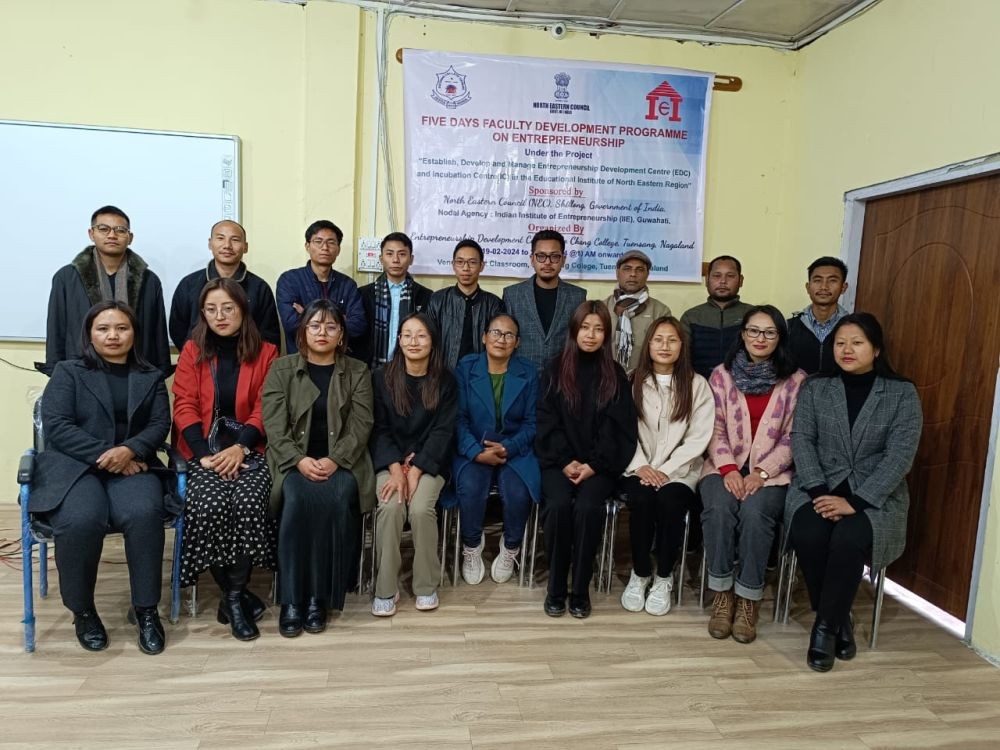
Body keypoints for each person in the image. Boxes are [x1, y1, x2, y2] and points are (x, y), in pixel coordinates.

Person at [31, 302, 170, 654]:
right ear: (89, 334)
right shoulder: (68, 372)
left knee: (143, 513)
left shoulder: (150, 375)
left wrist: (130, 450)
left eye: (122, 328)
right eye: (103, 328)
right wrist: (112, 455)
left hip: (134, 465)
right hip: (75, 466)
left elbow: (158, 424)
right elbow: (58, 426)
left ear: (133, 334)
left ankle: (146, 610)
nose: (113, 335)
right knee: (81, 518)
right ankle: (83, 610)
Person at [786, 313, 922, 672]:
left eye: (857, 342)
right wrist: (817, 491)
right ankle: (840, 618)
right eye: (840, 342)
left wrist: (856, 502)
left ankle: (825, 627)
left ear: (875, 349)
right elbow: (802, 439)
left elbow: (900, 456)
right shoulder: (816, 387)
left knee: (848, 539)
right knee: (808, 532)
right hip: (818, 487)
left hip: (874, 497)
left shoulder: (901, 392)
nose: (846, 349)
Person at [172, 277, 279, 641]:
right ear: (202, 313)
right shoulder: (192, 350)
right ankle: (235, 596)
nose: (220, 316)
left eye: (228, 308)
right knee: (208, 504)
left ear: (243, 309)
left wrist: (241, 447)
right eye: (211, 309)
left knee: (249, 501)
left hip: (250, 448)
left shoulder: (266, 352)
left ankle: (232, 597)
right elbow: (184, 404)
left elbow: (268, 406)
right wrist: (202, 456)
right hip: (204, 452)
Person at [262, 300, 375, 637]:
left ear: (341, 334)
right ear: (303, 330)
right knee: (295, 499)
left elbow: (361, 424)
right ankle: (292, 600)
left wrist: (334, 459)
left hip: (343, 462)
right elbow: (274, 427)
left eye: (330, 327)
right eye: (315, 326)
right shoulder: (282, 369)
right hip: (294, 462)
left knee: (338, 498)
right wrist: (299, 460)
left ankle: (320, 598)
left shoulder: (357, 371)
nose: (322, 333)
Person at [699, 305, 806, 644]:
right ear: (742, 334)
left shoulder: (795, 381)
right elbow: (713, 427)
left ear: (780, 338)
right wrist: (729, 469)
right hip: (722, 466)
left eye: (769, 332)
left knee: (757, 513)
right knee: (718, 508)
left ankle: (748, 599)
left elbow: (794, 436)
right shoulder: (721, 375)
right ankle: (721, 595)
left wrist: (761, 472)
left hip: (772, 473)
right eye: (754, 331)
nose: (760, 338)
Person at [536, 301, 637, 619]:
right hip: (558, 461)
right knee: (558, 505)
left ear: (606, 335)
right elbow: (545, 421)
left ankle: (579, 588)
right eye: (585, 327)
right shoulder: (554, 369)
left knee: (589, 507)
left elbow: (617, 429)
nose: (591, 335)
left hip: (600, 465)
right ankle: (555, 586)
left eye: (598, 329)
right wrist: (565, 460)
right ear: (574, 330)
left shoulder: (615, 375)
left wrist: (593, 465)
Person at [620, 316, 713, 615]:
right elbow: (622, 430)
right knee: (643, 500)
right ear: (647, 345)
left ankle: (664, 578)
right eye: (658, 339)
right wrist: (641, 466)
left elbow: (699, 437)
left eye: (672, 340)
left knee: (672, 503)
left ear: (682, 346)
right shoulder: (631, 380)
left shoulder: (697, 385)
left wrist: (666, 470)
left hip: (680, 472)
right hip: (638, 468)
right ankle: (641, 572)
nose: (664, 346)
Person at [370, 313, 457, 616]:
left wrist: (417, 468)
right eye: (406, 335)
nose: (413, 342)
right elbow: (378, 428)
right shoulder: (381, 378)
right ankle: (385, 588)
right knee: (391, 506)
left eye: (421, 335)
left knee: (421, 509)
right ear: (398, 340)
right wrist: (397, 469)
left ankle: (425, 585)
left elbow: (444, 431)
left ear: (432, 341)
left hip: (429, 461)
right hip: (390, 460)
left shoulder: (446, 380)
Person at [454, 313, 540, 585]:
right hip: (474, 448)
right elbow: (457, 419)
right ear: (484, 337)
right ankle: (471, 546)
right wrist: (475, 451)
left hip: (515, 450)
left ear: (517, 342)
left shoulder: (529, 372)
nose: (501, 339)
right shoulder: (466, 368)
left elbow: (532, 422)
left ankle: (510, 547)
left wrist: (509, 447)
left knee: (517, 492)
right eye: (495, 333)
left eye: (508, 335)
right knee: (470, 487)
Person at [42, 205, 170, 376]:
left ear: (130, 237)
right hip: (81, 369)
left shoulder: (149, 279)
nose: (112, 235)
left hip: (135, 369)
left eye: (120, 230)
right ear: (91, 234)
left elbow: (158, 331)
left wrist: (160, 369)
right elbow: (56, 327)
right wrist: (55, 370)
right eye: (104, 229)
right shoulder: (66, 277)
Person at [169, 219, 281, 350]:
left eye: (235, 240)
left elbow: (269, 336)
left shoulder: (260, 288)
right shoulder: (189, 284)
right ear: (210, 243)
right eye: (220, 238)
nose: (227, 245)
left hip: (247, 363)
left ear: (245, 247)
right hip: (199, 362)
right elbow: (178, 330)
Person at [275, 220, 366, 354]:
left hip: (339, 361)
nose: (325, 247)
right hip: (300, 360)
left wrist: (306, 314)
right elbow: (291, 325)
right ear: (307, 246)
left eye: (331, 242)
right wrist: (339, 319)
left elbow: (358, 326)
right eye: (318, 241)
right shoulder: (289, 281)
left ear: (338, 249)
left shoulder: (347, 285)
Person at [502, 230, 587, 369]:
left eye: (554, 256)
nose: (547, 262)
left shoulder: (578, 296)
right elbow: (506, 338)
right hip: (522, 376)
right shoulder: (512, 295)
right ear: (532, 259)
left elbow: (578, 341)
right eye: (541, 256)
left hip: (562, 377)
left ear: (563, 259)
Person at [356, 232, 433, 369]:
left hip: (410, 370)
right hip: (370, 369)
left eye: (402, 254)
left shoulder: (425, 295)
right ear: (381, 258)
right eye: (389, 254)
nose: (396, 260)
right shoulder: (364, 294)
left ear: (411, 259)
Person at [427, 239, 503, 369]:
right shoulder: (437, 300)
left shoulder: (493, 304)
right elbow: (429, 341)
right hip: (444, 375)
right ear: (453, 265)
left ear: (482, 266)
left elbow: (498, 344)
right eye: (460, 262)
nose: (466, 268)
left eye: (472, 262)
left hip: (481, 375)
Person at [680, 255, 753, 379]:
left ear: (740, 280)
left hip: (744, 387)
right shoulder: (691, 317)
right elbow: (682, 359)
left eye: (730, 276)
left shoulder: (752, 315)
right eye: (717, 275)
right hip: (700, 388)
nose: (723, 281)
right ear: (707, 279)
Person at [604, 250, 671, 373]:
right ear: (617, 273)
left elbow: (665, 351)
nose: (633, 274)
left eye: (640, 270)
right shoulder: (602, 308)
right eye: (627, 268)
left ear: (647, 275)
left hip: (646, 379)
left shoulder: (661, 311)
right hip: (606, 377)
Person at [787, 256, 850, 374]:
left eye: (832, 280)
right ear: (808, 287)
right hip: (799, 391)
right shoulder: (789, 328)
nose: (824, 287)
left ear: (843, 287)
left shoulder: (855, 328)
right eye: (817, 280)